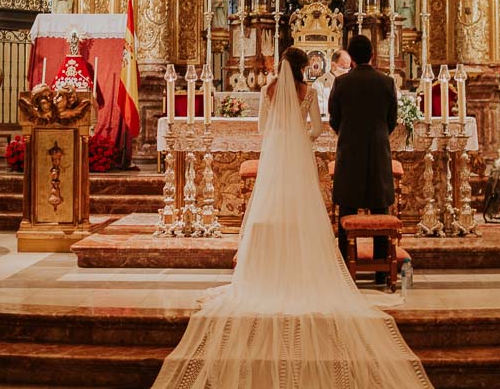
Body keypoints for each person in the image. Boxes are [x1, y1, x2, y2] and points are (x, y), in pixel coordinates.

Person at [152, 46, 432, 388]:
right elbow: (317, 129)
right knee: (304, 209)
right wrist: (299, 135)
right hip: (299, 152)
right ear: (304, 67)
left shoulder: (269, 90)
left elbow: (262, 127)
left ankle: (269, 268)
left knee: (271, 208)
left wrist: (280, 137)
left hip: (276, 155)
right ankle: (312, 266)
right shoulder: (309, 91)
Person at [328, 34, 397, 285]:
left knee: (347, 206)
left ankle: (346, 268)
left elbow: (334, 117)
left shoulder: (342, 84)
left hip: (349, 151)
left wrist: (348, 134)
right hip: (379, 150)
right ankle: (381, 271)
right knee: (380, 205)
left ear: (352, 58)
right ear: (372, 55)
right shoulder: (386, 82)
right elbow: (392, 120)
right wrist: (377, 136)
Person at [313, 47, 351, 114]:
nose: (346, 71)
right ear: (333, 65)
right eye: (344, 67)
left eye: (348, 68)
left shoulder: (350, 82)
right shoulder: (319, 83)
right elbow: (318, 107)